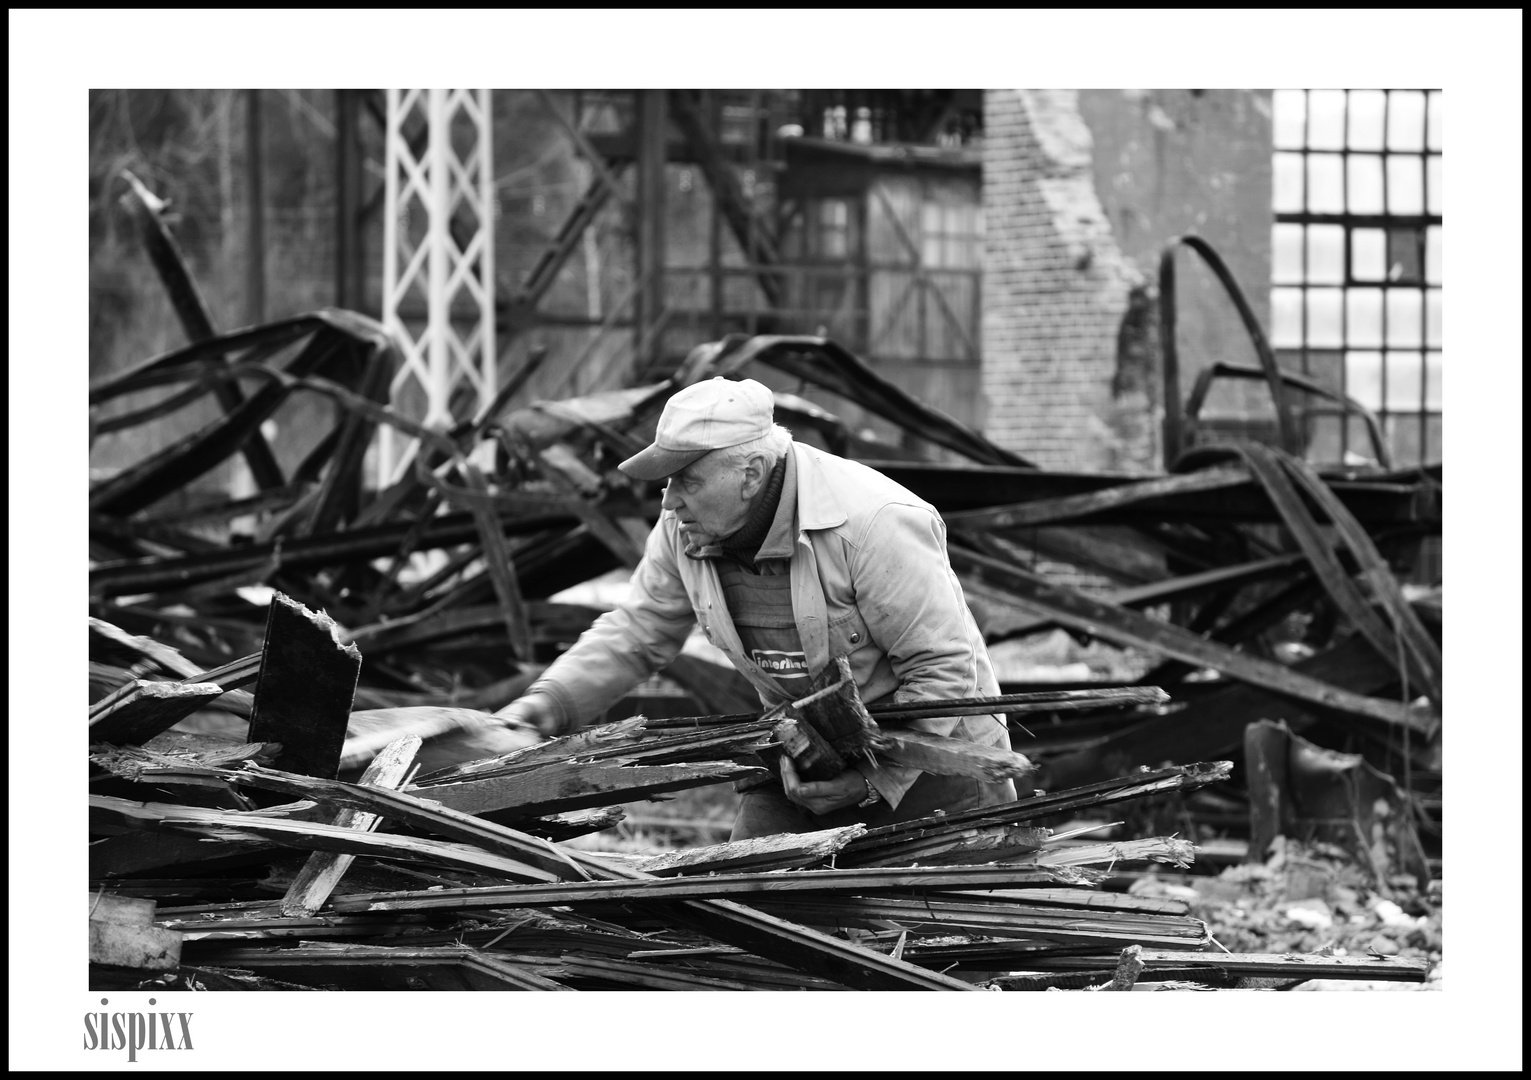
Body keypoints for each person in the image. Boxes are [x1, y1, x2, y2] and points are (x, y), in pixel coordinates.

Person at [495, 376, 1016, 840]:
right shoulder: (684, 528)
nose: (670, 500)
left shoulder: (874, 524)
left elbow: (943, 670)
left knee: (936, 941)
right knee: (750, 913)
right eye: (668, 482)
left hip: (934, 767)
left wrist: (870, 779)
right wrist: (546, 707)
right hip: (804, 759)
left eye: (688, 481)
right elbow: (637, 630)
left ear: (750, 475)